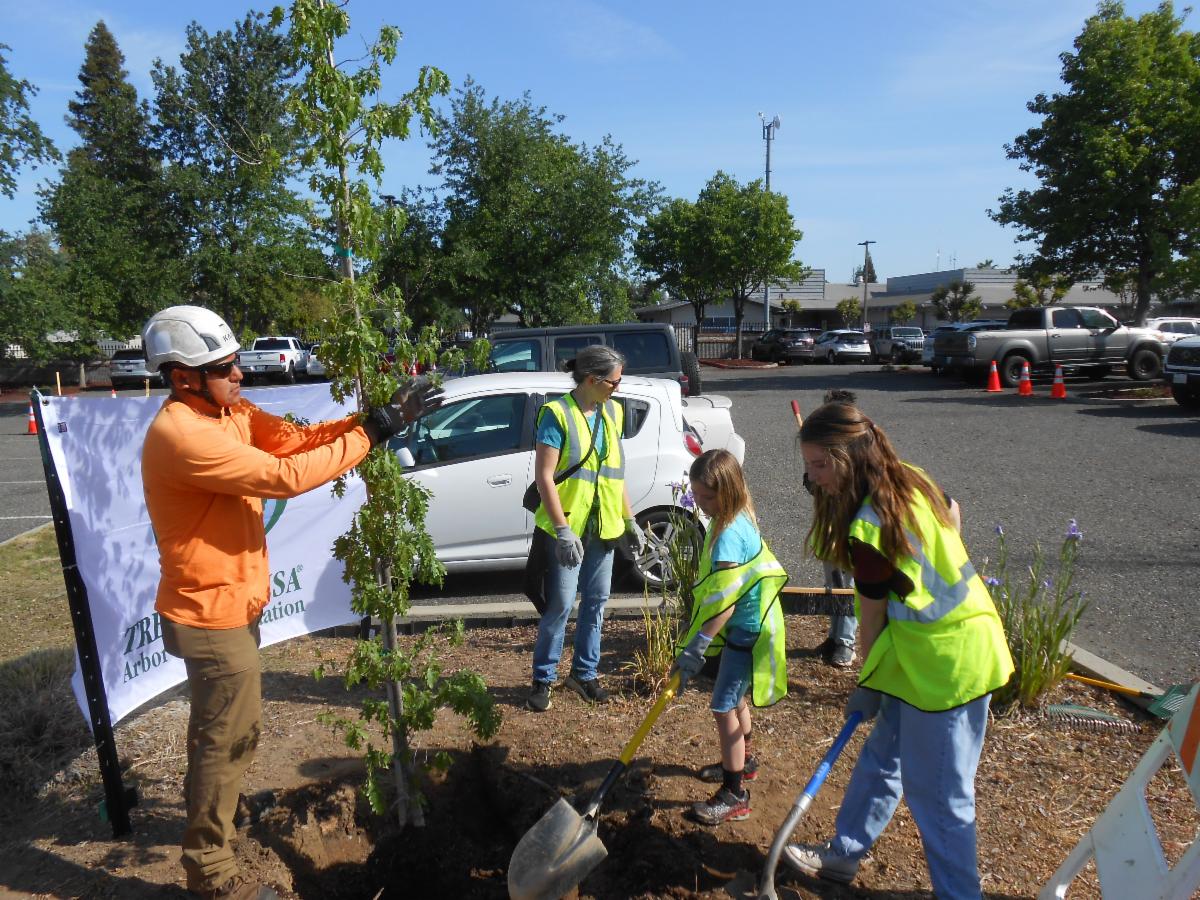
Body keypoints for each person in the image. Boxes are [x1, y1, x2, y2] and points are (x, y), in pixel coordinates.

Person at [140, 306, 440, 900]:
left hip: (232, 606)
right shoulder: (183, 434)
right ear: (182, 377)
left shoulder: (226, 411)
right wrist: (373, 434)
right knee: (225, 738)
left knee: (231, 732)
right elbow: (286, 476)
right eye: (225, 368)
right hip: (210, 614)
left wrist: (374, 419)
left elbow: (297, 440)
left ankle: (214, 823)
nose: (240, 375)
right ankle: (211, 870)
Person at [787, 402, 1012, 899]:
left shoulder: (869, 529)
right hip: (928, 654)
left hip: (947, 669)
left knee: (939, 799)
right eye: (808, 468)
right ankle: (843, 856)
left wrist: (867, 684)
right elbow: (954, 515)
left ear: (847, 458)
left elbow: (870, 621)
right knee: (882, 758)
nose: (815, 479)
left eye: (820, 466)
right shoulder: (910, 477)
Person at [671, 449, 788, 826]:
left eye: (707, 497)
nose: (701, 505)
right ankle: (744, 760)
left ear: (729, 490)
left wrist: (699, 645)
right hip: (753, 624)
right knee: (734, 698)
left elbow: (726, 601)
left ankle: (735, 793)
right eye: (697, 495)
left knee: (723, 706)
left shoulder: (727, 537)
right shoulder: (737, 515)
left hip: (747, 629)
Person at [527, 344, 644, 712]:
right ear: (592, 380)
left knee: (596, 603)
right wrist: (562, 529)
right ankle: (543, 679)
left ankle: (583, 674)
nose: (618, 388)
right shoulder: (556, 414)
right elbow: (545, 476)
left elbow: (615, 475)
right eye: (614, 382)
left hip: (604, 526)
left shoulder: (612, 414)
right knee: (560, 604)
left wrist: (629, 520)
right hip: (570, 529)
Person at [803, 388, 859, 668]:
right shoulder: (824, 452)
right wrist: (812, 478)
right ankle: (835, 636)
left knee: (846, 586)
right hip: (829, 528)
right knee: (832, 584)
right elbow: (815, 484)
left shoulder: (853, 460)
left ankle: (846, 643)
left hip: (846, 530)